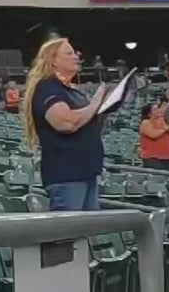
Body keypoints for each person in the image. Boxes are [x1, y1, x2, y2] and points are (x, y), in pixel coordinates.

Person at [23, 37, 108, 212]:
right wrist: (95, 103)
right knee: (67, 236)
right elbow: (65, 123)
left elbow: (88, 124)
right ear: (53, 60)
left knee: (86, 233)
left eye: (75, 52)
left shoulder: (73, 91)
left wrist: (104, 109)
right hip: (67, 175)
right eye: (69, 53)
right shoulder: (48, 87)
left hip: (88, 173)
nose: (76, 56)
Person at [139, 101, 169, 171]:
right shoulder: (146, 123)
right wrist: (165, 129)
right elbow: (153, 135)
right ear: (149, 114)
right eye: (155, 109)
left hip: (167, 157)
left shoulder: (162, 121)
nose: (158, 111)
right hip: (153, 158)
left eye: (158, 108)